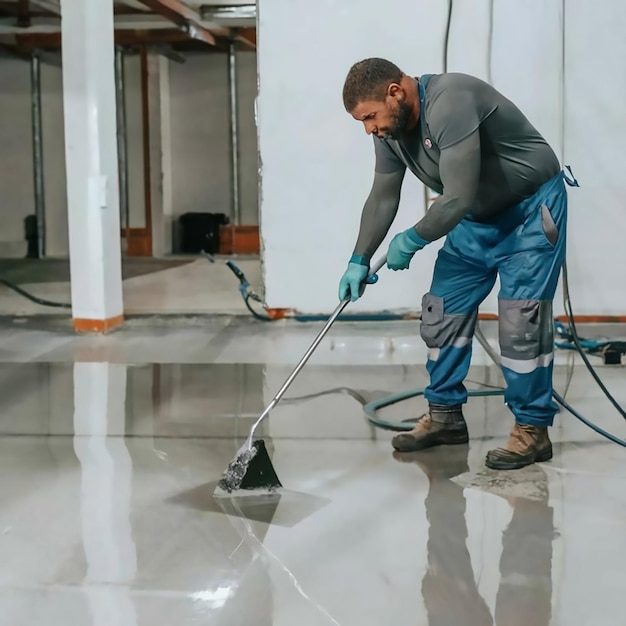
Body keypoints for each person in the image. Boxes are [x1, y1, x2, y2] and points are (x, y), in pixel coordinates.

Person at [338, 58, 579, 470]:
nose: (369, 129)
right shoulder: (390, 131)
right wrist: (358, 258)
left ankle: (532, 430)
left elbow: (457, 195)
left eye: (370, 117)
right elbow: (383, 196)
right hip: (473, 221)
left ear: (395, 92)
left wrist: (411, 239)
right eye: (363, 122)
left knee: (521, 324)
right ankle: (445, 416)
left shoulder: (451, 100)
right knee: (442, 312)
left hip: (529, 215)